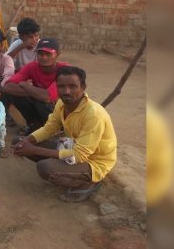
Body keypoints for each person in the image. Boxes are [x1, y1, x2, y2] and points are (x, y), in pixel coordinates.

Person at [12, 66, 117, 203]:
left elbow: (79, 155)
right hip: (72, 147)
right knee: (19, 142)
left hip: (94, 161)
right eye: (61, 86)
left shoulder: (94, 114)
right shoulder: (61, 103)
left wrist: (34, 150)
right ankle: (66, 169)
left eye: (73, 86)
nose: (66, 91)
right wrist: (27, 140)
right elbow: (49, 128)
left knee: (45, 168)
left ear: (83, 87)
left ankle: (88, 182)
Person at [2, 38, 68, 133]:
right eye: (40, 53)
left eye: (48, 54)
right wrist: (35, 93)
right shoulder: (32, 66)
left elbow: (47, 97)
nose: (44, 57)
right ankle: (34, 125)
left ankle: (56, 129)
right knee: (16, 95)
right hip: (42, 103)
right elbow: (7, 87)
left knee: (42, 103)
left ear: (57, 54)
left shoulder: (64, 70)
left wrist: (24, 85)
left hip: (62, 111)